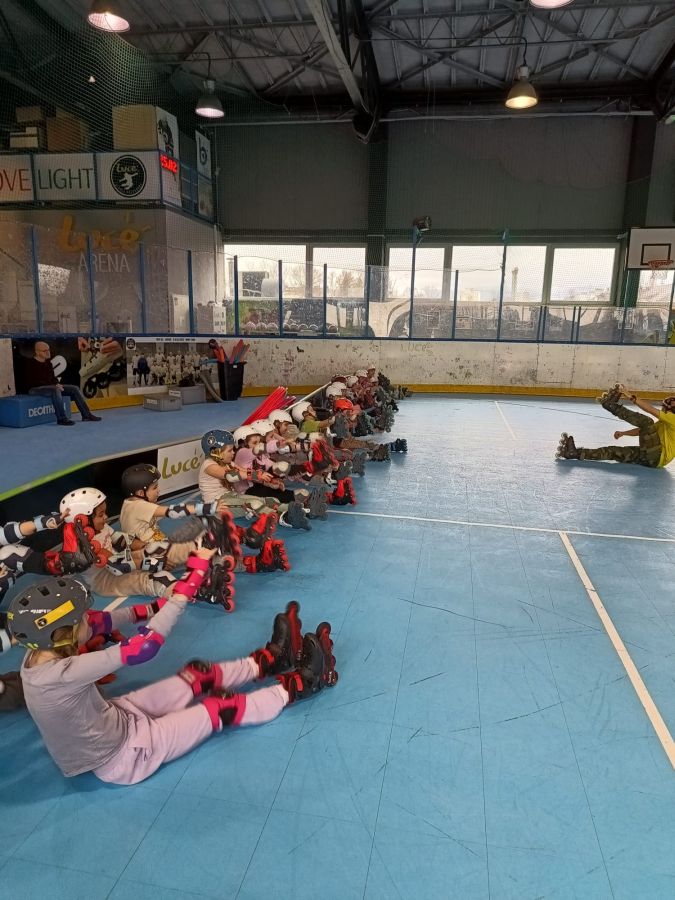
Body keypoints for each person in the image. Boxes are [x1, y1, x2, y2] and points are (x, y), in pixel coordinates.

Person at [8, 563, 337, 784]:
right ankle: (297, 686)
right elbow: (143, 648)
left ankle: (268, 662)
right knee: (221, 708)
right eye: (80, 617)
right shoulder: (63, 673)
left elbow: (102, 622)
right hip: (123, 755)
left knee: (197, 676)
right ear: (61, 633)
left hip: (114, 717)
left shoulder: (40, 655)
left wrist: (155, 606)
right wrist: (184, 592)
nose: (89, 617)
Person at [556, 384, 675, 468]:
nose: (663, 409)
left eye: (665, 407)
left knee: (647, 421)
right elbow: (643, 431)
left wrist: (629, 396)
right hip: (652, 460)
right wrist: (624, 433)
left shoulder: (673, 419)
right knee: (613, 451)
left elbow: (650, 410)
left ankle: (611, 405)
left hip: (656, 455)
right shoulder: (667, 423)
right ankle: (574, 453)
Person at [20, 341, 101, 426]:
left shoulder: (48, 363)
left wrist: (56, 383)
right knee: (55, 390)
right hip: (34, 389)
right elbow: (32, 382)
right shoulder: (30, 364)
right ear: (37, 352)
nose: (48, 352)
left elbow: (53, 378)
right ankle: (61, 419)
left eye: (48, 350)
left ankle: (86, 415)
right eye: (45, 351)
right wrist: (54, 385)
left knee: (74, 388)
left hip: (49, 387)